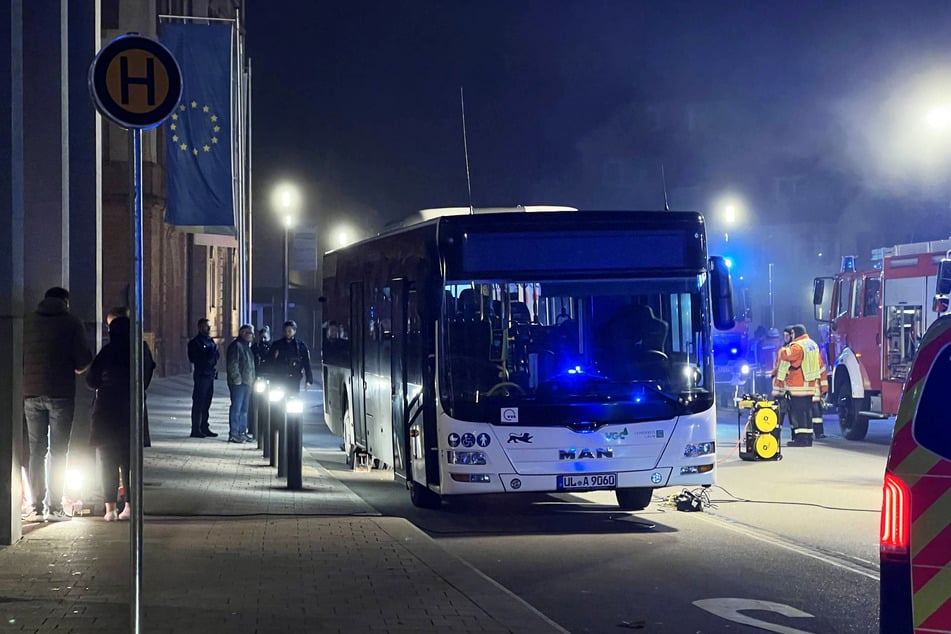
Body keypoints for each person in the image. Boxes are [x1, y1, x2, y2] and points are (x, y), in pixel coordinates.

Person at [22, 287, 94, 522]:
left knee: (36, 451)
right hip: (60, 393)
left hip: (30, 393)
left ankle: (34, 507)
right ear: (65, 302)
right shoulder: (72, 322)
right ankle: (54, 508)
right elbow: (83, 360)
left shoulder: (28, 321)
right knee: (59, 452)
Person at [86, 317, 154, 521]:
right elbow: (147, 375)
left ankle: (110, 509)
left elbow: (91, 380)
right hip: (132, 410)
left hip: (107, 410)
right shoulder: (141, 350)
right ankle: (131, 507)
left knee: (107, 462)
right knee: (130, 463)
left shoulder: (108, 351)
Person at [106, 306, 156, 447]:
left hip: (115, 405)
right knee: (128, 450)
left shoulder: (110, 350)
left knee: (115, 452)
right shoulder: (140, 346)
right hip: (132, 401)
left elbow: (92, 378)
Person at [778, 324, 828, 447]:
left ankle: (801, 440)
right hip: (810, 386)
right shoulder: (812, 345)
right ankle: (808, 439)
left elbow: (785, 355)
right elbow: (820, 365)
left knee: (798, 414)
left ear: (796, 333)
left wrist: (783, 348)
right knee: (807, 413)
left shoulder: (798, 346)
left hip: (798, 386)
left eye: (793, 334)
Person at [187, 318, 219, 438]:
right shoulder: (195, 342)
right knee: (199, 402)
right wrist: (208, 355)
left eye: (209, 326)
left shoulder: (210, 341)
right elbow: (194, 358)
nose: (209, 329)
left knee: (207, 402)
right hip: (201, 375)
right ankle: (196, 428)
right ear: (200, 328)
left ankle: (204, 426)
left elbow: (216, 355)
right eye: (206, 327)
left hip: (210, 374)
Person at [226, 324, 256, 443]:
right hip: (239, 383)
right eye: (250, 333)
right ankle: (234, 433)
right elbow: (233, 364)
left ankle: (242, 432)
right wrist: (237, 379)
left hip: (247, 382)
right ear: (243, 333)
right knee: (236, 408)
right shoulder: (237, 346)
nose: (252, 336)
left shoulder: (245, 346)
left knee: (244, 409)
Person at [269, 320, 313, 394]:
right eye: (285, 331)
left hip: (294, 379)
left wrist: (309, 380)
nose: (287, 333)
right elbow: (269, 361)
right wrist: (274, 357)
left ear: (294, 331)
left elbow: (306, 363)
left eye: (289, 331)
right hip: (279, 378)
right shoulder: (277, 345)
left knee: (294, 400)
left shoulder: (300, 346)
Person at [769, 326, 793, 437]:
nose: (785, 338)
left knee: (790, 413)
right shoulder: (783, 349)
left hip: (790, 387)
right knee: (779, 411)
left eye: (787, 335)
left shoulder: (792, 349)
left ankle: (793, 435)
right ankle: (775, 434)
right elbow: (779, 366)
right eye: (784, 336)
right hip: (782, 386)